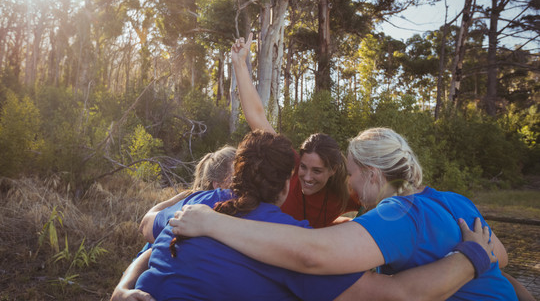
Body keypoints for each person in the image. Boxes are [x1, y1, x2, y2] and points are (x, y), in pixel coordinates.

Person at [112, 130, 496, 301]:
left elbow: (149, 223)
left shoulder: (197, 207)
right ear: (286, 186)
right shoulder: (286, 246)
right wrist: (474, 257)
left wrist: (120, 289)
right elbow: (396, 295)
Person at [231, 34, 358, 227]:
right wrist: (240, 64)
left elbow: (385, 199)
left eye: (317, 171)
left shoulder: (345, 190)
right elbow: (257, 117)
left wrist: (342, 224)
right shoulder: (289, 164)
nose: (307, 177)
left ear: (332, 170)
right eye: (304, 167)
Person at [138, 145, 236, 243]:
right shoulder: (206, 204)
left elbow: (145, 225)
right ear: (217, 186)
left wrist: (176, 199)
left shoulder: (194, 205)